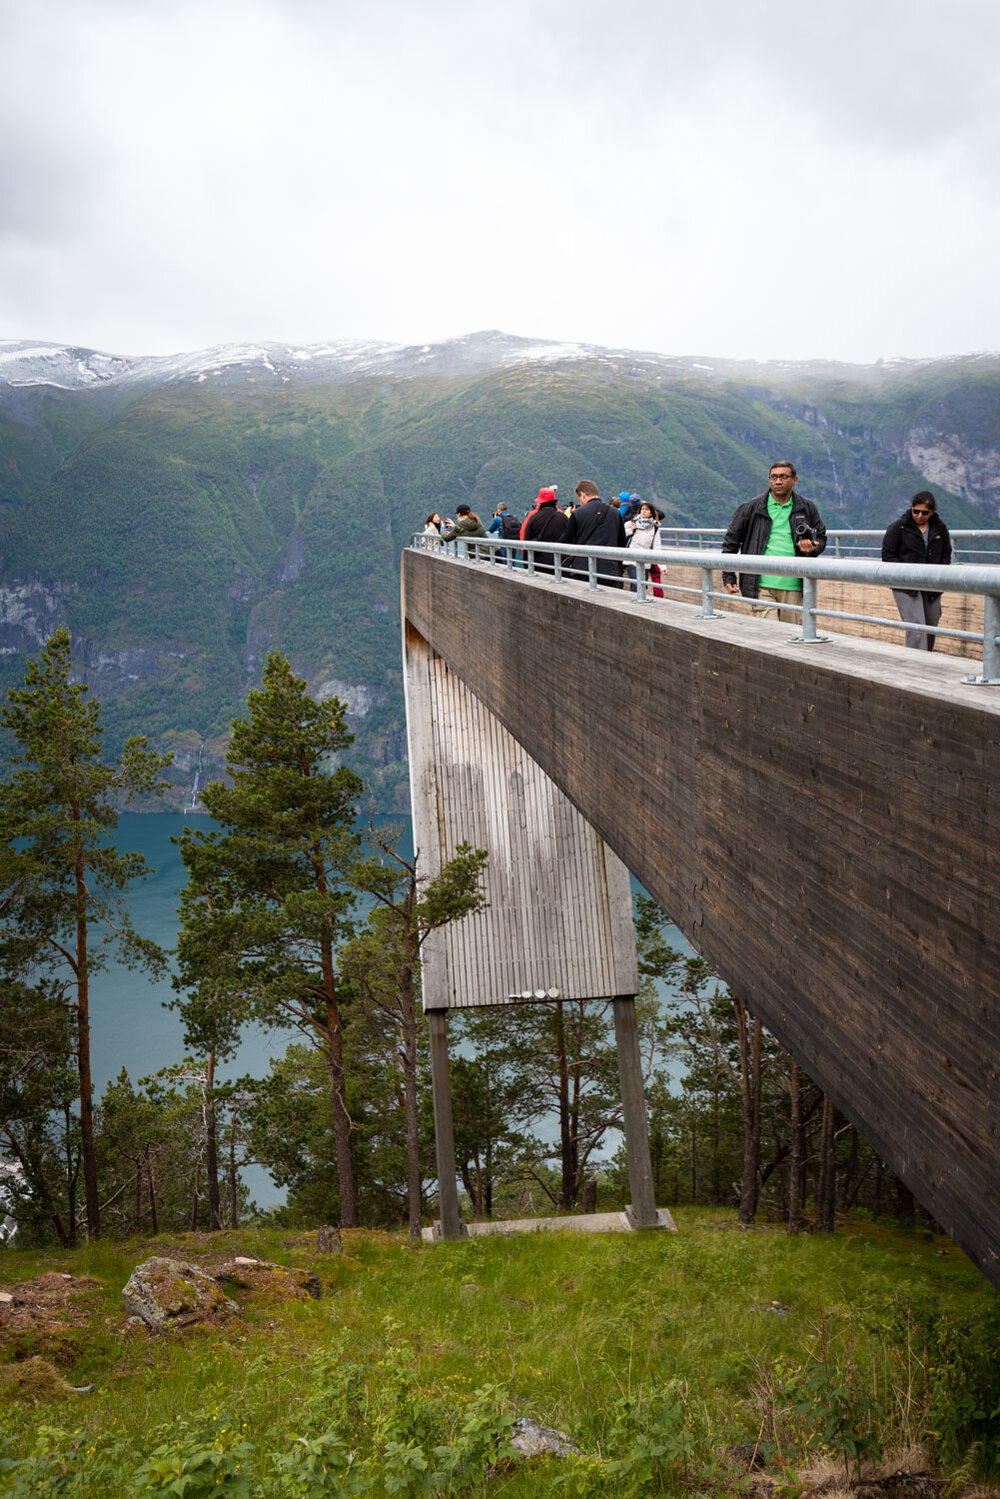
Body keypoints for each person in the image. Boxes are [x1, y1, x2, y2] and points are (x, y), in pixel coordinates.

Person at [722, 461, 826, 623]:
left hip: (795, 585)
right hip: (760, 584)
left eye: (784, 477)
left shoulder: (807, 508)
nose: (778, 481)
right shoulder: (751, 508)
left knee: (792, 635)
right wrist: (728, 576)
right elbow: (731, 542)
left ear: (795, 479)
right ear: (769, 479)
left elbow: (821, 538)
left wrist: (811, 549)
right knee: (769, 633)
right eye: (774, 477)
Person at [881, 491, 952, 650]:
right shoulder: (898, 527)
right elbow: (887, 554)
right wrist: (906, 572)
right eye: (916, 511)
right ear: (910, 507)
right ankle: (915, 666)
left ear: (933, 511)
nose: (919, 515)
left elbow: (946, 552)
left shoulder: (939, 528)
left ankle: (925, 659)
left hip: (931, 584)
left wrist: (940, 572)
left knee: (931, 625)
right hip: (906, 585)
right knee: (917, 627)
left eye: (924, 512)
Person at [563, 480, 627, 586]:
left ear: (583, 494)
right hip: (609, 570)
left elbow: (566, 541)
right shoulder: (615, 513)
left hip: (582, 569)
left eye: (579, 498)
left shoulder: (577, 514)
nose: (580, 502)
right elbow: (622, 542)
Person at [520, 486, 568, 573]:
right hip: (560, 563)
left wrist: (526, 564)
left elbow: (526, 541)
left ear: (540, 502)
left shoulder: (534, 518)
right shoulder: (563, 517)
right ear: (554, 503)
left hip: (539, 564)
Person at [625, 499, 666, 596]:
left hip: (645, 562)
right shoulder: (632, 523)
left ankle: (638, 603)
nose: (643, 511)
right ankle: (635, 604)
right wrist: (631, 530)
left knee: (643, 586)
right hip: (632, 559)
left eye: (647, 509)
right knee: (636, 585)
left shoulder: (654, 529)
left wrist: (662, 566)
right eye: (642, 509)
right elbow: (620, 534)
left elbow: (657, 548)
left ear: (652, 513)